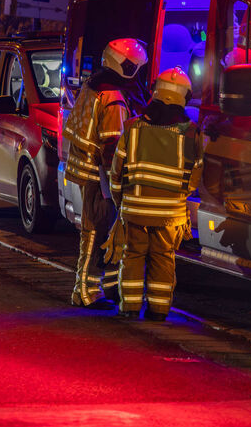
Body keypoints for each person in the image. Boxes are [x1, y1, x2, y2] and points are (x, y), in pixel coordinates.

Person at [109, 67, 204, 322]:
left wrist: (121, 204)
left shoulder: (132, 128)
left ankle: (129, 308)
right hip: (169, 215)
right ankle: (159, 310)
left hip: (135, 211)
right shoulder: (192, 134)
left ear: (155, 93)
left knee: (132, 255)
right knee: (163, 258)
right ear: (185, 96)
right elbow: (194, 177)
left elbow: (116, 173)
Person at [64, 38, 148, 309]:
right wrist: (121, 181)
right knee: (96, 232)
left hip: (85, 168)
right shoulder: (114, 98)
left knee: (106, 231)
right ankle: (85, 292)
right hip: (99, 177)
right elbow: (113, 146)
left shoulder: (93, 85)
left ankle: (110, 287)